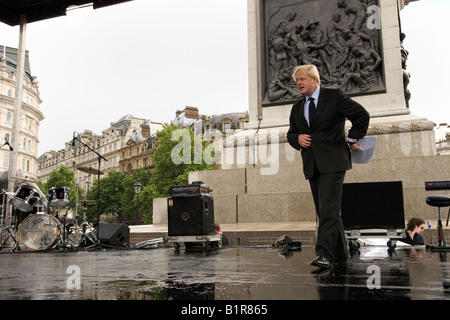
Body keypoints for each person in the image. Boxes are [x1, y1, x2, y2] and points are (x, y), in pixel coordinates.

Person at [287, 64, 370, 269]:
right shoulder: (297, 107)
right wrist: (298, 138)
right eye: (297, 80)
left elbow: (361, 115)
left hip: (334, 162)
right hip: (312, 165)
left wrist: (352, 138)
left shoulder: (334, 97)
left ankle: (324, 254)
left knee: (328, 210)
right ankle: (341, 254)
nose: (298, 83)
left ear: (315, 80)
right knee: (327, 210)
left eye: (302, 79)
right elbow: (290, 134)